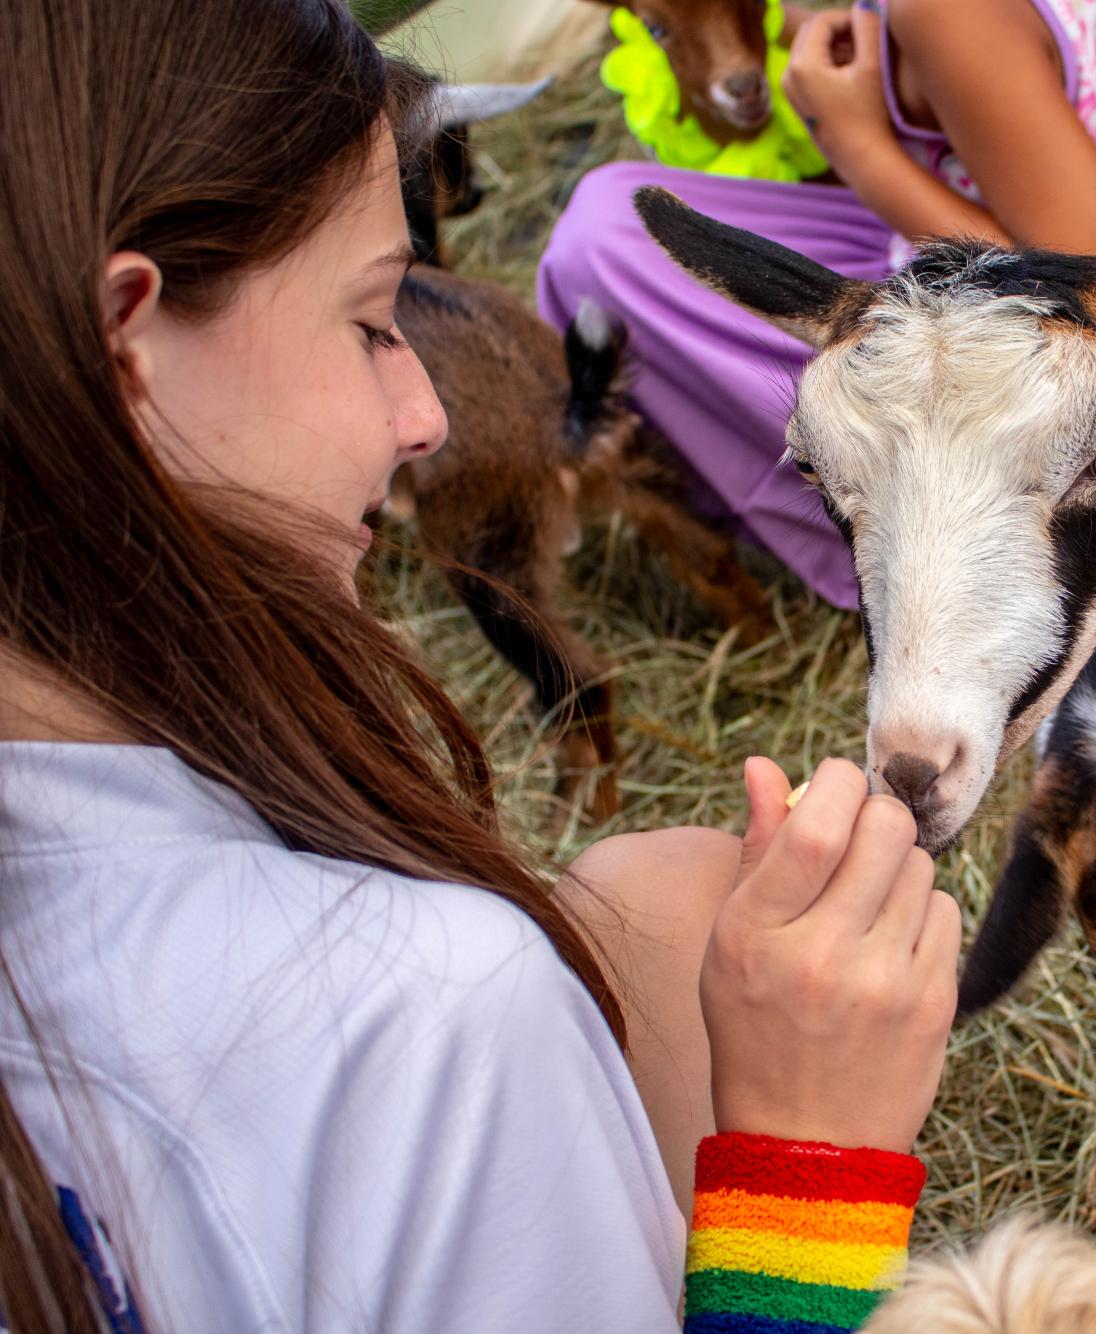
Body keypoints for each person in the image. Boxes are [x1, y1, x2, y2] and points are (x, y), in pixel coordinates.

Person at [0, 2, 956, 1329]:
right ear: (131, 355)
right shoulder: (433, 1016)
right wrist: (813, 1160)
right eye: (372, 321)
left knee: (665, 898)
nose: (423, 413)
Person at [539, 0, 1096, 609]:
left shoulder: (946, 15)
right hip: (1038, 221)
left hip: (1040, 344)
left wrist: (858, 146)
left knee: (602, 239)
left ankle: (900, 552)